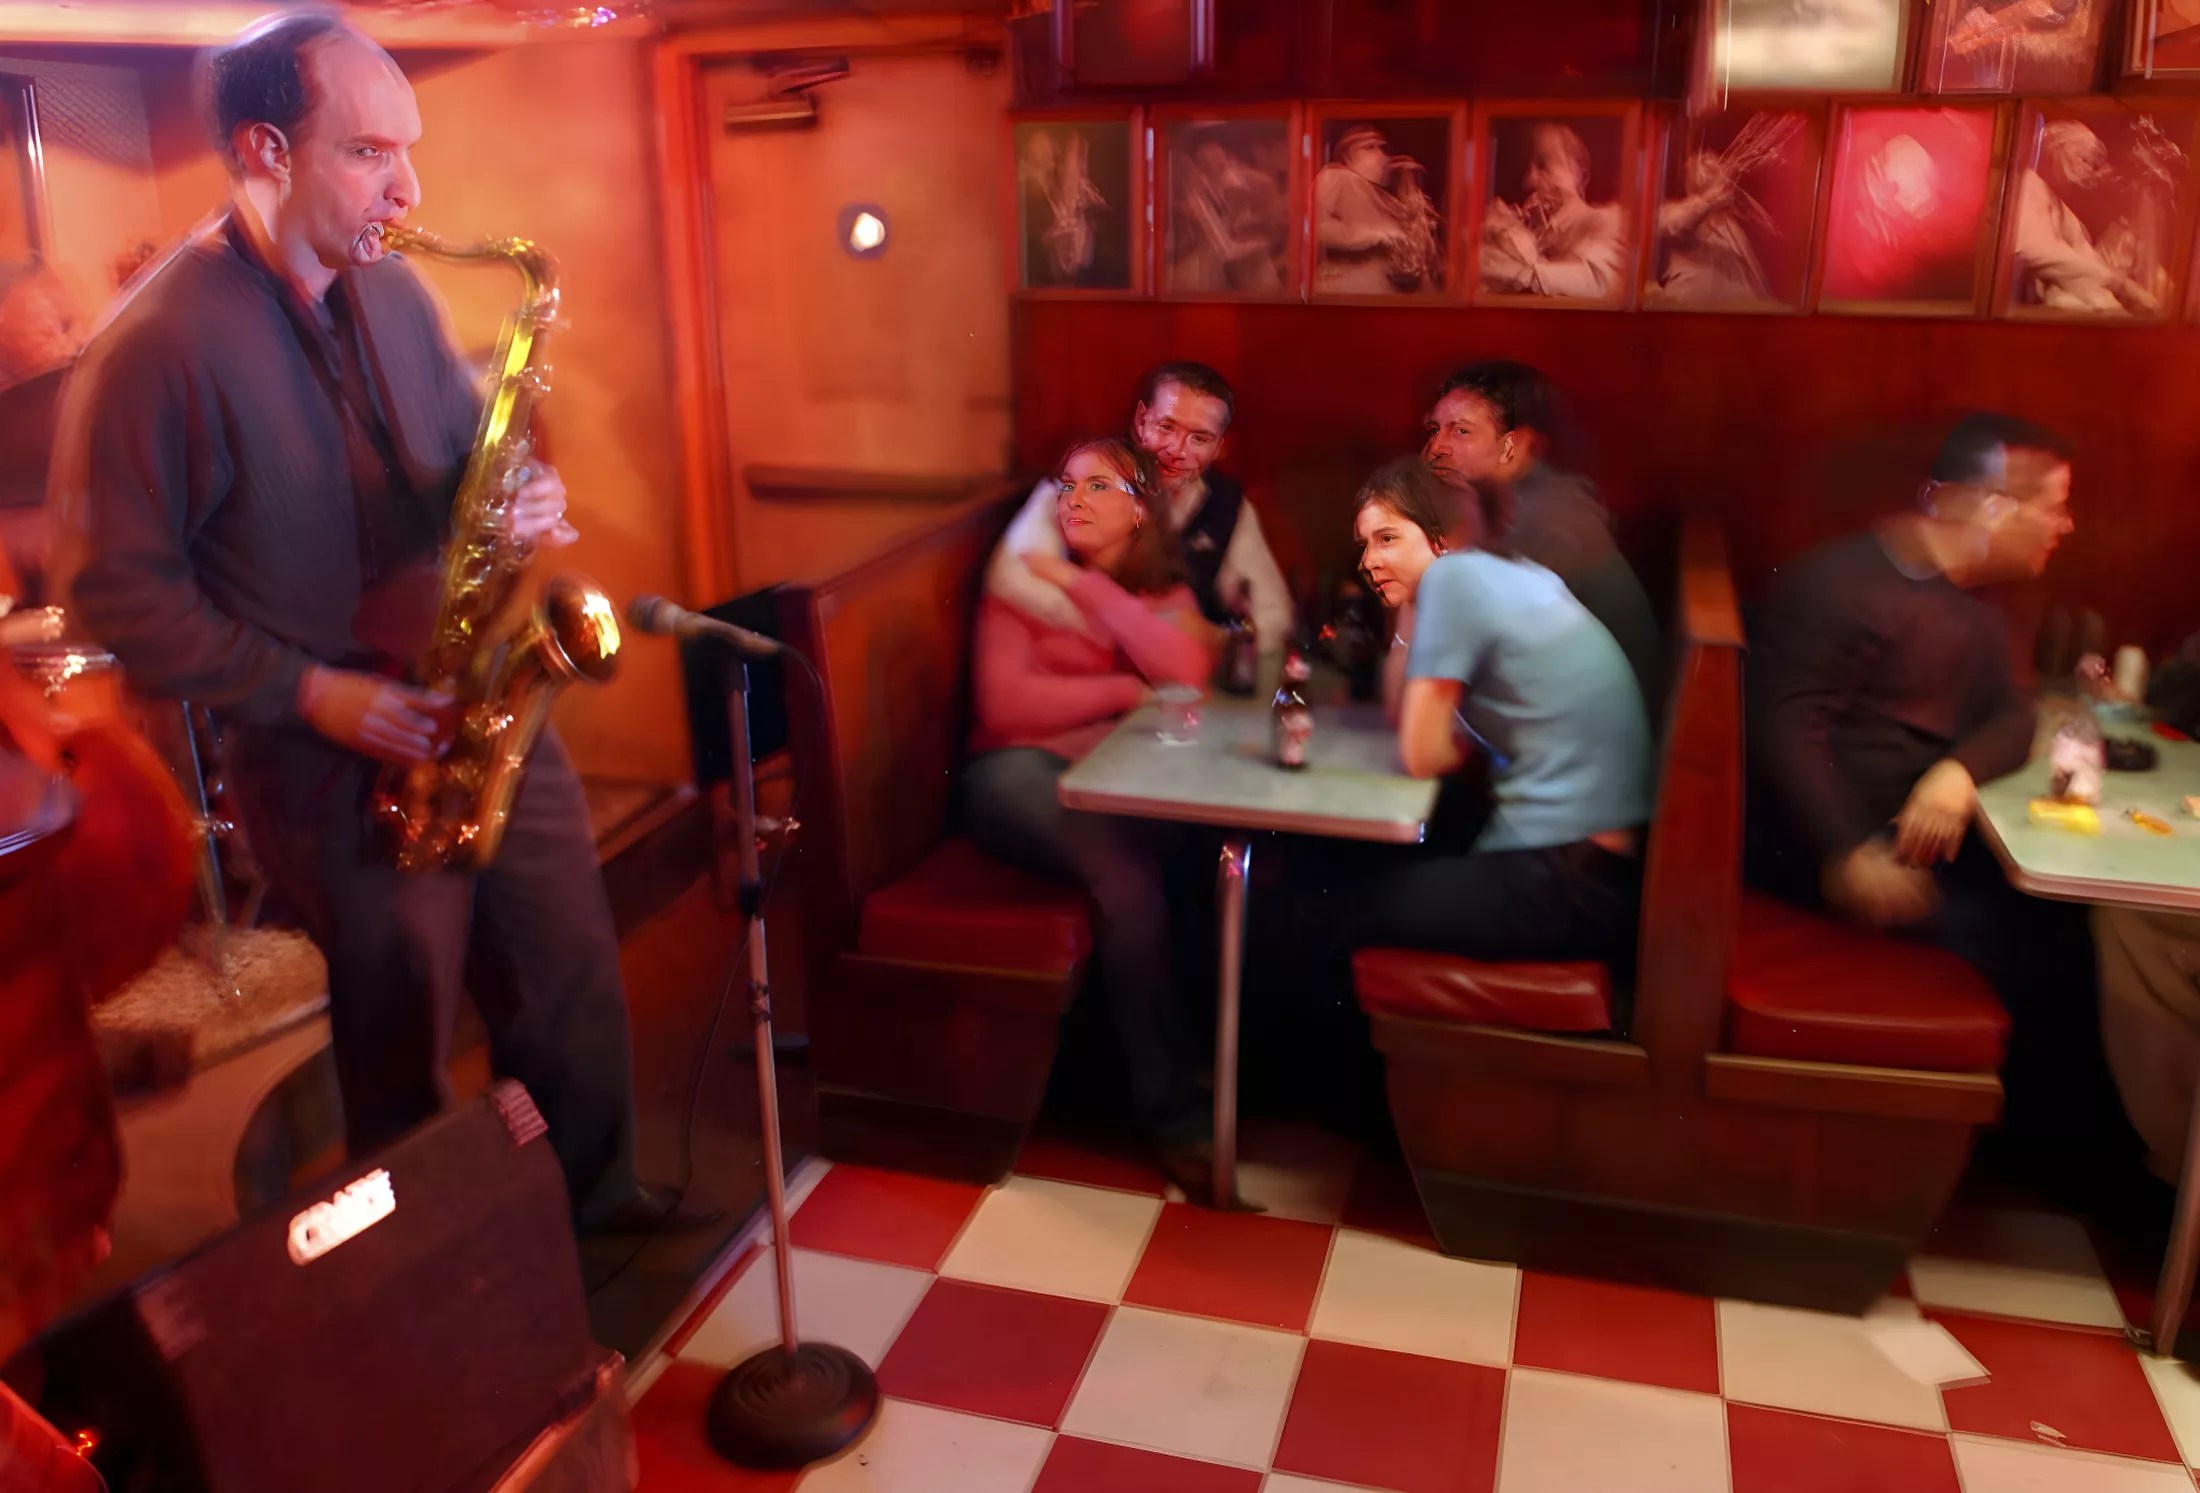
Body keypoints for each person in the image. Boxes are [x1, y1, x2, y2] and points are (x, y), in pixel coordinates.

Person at [46, 11, 681, 1234]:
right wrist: (313, 693)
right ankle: (425, 1274)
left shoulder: (392, 286)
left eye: (409, 149)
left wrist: (513, 495)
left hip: (472, 696)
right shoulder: (153, 346)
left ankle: (594, 1214)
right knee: (401, 1037)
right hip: (323, 748)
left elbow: (448, 463)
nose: (410, 189)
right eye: (370, 152)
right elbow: (114, 591)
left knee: (565, 972)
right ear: (266, 150)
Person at [1745, 412, 2118, 1146]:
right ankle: (2059, 1162)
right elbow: (1781, 729)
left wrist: (1955, 774)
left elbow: (2015, 712)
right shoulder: (1844, 584)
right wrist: (1846, 852)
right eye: (2054, 505)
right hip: (1824, 856)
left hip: (1911, 840)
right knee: (2051, 957)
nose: (2066, 524)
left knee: (2073, 928)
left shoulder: (1978, 596)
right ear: (1987, 505)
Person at [962, 438, 1219, 1193]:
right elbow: (1007, 707)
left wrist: (1087, 588)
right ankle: (1174, 1120)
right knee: (1124, 873)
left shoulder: (1151, 592)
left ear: (1140, 510)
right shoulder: (1019, 585)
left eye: (1098, 486)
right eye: (1067, 485)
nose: (1073, 499)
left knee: (1201, 858)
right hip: (1011, 772)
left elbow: (1188, 670)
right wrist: (1124, 694)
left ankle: (1184, 1070)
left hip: (1111, 779)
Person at [1364, 459, 1653, 968]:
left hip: (1565, 880)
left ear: (1442, 538)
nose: (1368, 561)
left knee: (1330, 905)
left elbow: (1420, 754)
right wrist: (1408, 609)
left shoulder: (1455, 578)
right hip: (1600, 870)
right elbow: (1406, 721)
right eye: (1365, 545)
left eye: (1386, 539)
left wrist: (1447, 741)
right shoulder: (1513, 574)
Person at [988, 361, 1291, 644]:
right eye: (1166, 427)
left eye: (1199, 438)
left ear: (1218, 447)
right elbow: (1010, 578)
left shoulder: (1226, 505)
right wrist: (1129, 630)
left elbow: (1274, 614)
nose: (1177, 450)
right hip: (1081, 666)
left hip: (1177, 673)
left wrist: (1216, 641)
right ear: (1141, 421)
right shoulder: (1074, 481)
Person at [1420, 361, 1664, 710]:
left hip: (1591, 726)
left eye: (1461, 432)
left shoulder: (1539, 524)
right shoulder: (1516, 504)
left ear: (1516, 445)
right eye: (1434, 430)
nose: (1436, 447)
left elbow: (1456, 663)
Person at [2011, 120, 2169, 315]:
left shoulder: (2066, 213)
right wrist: (2120, 285)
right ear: (2056, 150)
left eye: (2093, 165)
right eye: (2083, 160)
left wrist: (2123, 293)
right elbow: (2035, 251)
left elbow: (2089, 265)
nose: (2088, 170)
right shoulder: (2027, 185)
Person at [1479, 123, 1628, 301]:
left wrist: (1515, 272)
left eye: (1543, 165)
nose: (1530, 180)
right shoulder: (1525, 229)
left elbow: (1597, 281)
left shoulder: (1607, 220)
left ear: (1577, 171)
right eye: (1527, 170)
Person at [1313, 125, 1441, 295]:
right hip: (1355, 295)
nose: (1381, 155)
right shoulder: (1338, 177)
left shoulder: (1390, 198)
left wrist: (1410, 191)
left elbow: (1424, 255)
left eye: (1383, 148)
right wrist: (1371, 237)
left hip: (1398, 297)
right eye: (1369, 147)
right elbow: (1313, 225)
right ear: (1348, 157)